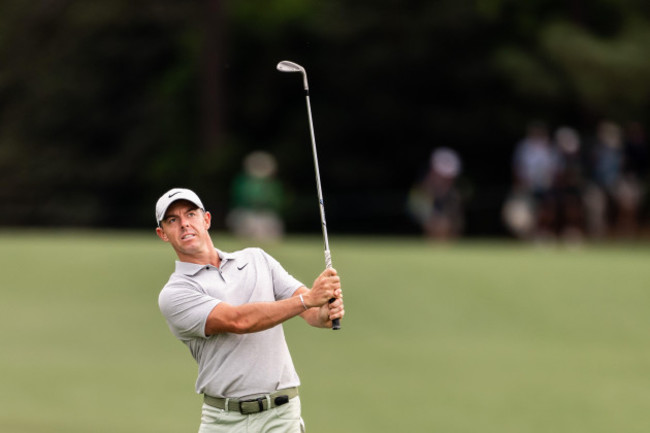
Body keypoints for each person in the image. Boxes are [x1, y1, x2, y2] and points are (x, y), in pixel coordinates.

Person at [155, 188, 344, 433]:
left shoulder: (257, 259)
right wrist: (309, 300)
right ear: (163, 234)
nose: (184, 224)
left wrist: (326, 311)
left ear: (207, 220)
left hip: (281, 415)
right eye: (173, 220)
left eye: (191, 214)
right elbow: (237, 321)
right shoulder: (175, 293)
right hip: (223, 420)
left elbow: (312, 313)